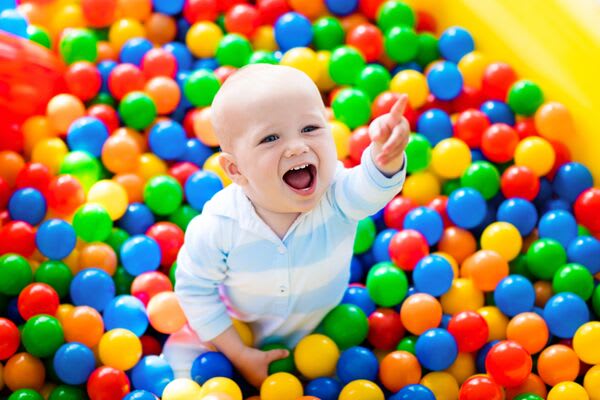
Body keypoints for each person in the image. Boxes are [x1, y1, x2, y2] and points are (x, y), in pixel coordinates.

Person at [172, 63, 410, 387]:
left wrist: (386, 156)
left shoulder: (337, 195)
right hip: (240, 327)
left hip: (327, 329)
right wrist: (239, 353)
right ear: (236, 169)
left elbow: (372, 187)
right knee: (181, 363)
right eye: (270, 138)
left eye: (310, 128)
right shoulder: (220, 226)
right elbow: (194, 288)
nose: (297, 146)